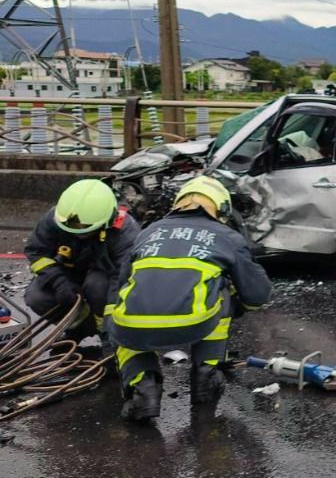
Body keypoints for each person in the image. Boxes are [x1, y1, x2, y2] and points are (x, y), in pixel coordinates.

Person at [107, 176, 272, 421]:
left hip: (132, 324)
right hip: (193, 322)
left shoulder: (148, 232)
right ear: (221, 207)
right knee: (223, 291)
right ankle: (206, 373)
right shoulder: (226, 236)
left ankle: (143, 387)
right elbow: (257, 295)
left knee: (126, 317)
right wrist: (240, 305)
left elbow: (122, 282)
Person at [24, 179, 141, 339]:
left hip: (104, 276)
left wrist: (110, 328)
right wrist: (59, 282)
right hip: (69, 271)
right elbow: (37, 252)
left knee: (96, 287)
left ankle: (107, 334)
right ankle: (80, 328)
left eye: (84, 231)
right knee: (37, 297)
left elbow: (121, 278)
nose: (77, 234)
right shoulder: (58, 217)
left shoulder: (125, 231)